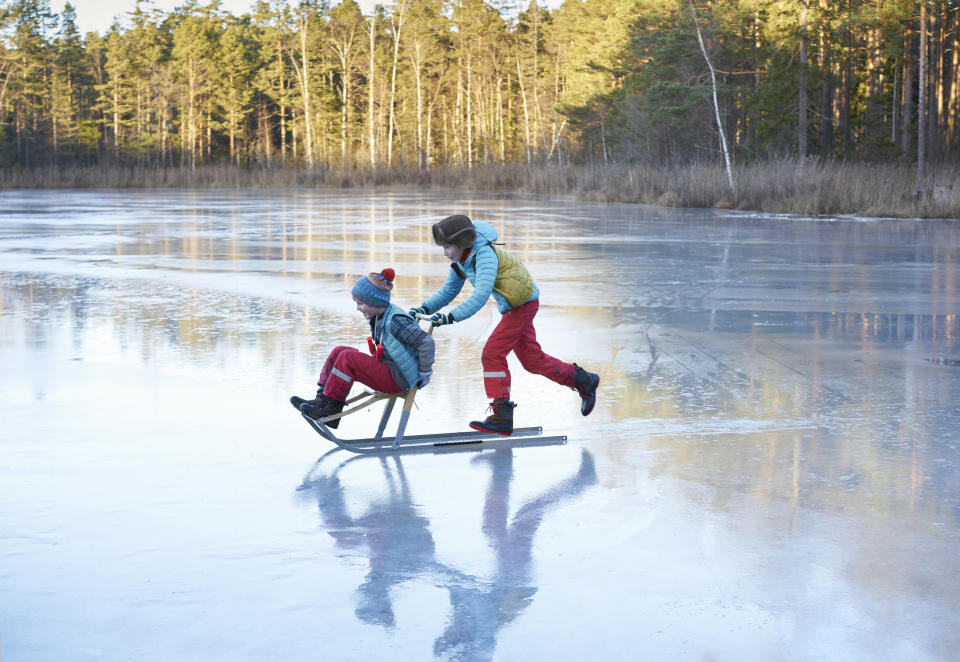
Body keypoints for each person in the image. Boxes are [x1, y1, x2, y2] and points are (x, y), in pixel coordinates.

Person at [409, 214, 599, 436]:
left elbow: (480, 296)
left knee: (492, 353)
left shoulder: (485, 256)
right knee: (532, 361)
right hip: (514, 305)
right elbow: (448, 290)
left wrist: (450, 317)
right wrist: (424, 309)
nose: (445, 253)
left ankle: (501, 414)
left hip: (522, 304)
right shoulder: (461, 261)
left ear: (462, 243)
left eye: (448, 247)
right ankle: (584, 380)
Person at [290, 268, 435, 428]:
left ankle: (331, 409)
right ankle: (323, 399)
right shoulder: (381, 315)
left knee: (348, 358)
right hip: (389, 369)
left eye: (360, 303)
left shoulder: (396, 321)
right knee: (339, 351)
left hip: (398, 378)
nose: (358, 308)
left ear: (375, 302)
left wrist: (425, 372)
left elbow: (426, 342)